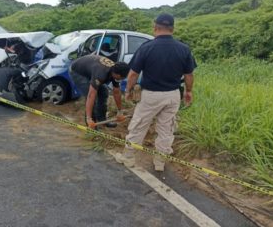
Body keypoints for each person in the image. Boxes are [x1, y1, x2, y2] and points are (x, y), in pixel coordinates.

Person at [116, 13, 196, 171]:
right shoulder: (184, 49)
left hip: (151, 95)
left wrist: (128, 90)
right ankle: (160, 162)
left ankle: (129, 157)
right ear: (172, 29)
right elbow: (189, 75)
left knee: (139, 125)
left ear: (155, 27)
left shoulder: (147, 47)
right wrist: (189, 91)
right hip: (173, 95)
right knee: (166, 129)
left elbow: (133, 74)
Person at [69, 55, 130, 129]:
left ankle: (102, 120)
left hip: (90, 69)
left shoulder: (116, 71)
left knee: (104, 92)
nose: (122, 79)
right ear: (116, 74)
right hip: (78, 72)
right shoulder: (101, 74)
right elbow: (91, 95)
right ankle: (91, 125)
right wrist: (89, 118)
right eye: (122, 77)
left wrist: (120, 111)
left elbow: (116, 92)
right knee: (93, 97)